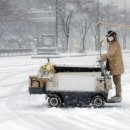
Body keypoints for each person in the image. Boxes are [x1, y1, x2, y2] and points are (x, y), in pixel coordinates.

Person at [101, 30, 124, 102]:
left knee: (117, 81)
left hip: (116, 66)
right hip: (115, 65)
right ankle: (117, 95)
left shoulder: (115, 44)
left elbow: (111, 54)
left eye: (110, 37)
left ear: (113, 36)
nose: (109, 38)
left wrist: (102, 56)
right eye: (108, 37)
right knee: (116, 81)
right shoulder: (112, 43)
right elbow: (109, 53)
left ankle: (118, 96)